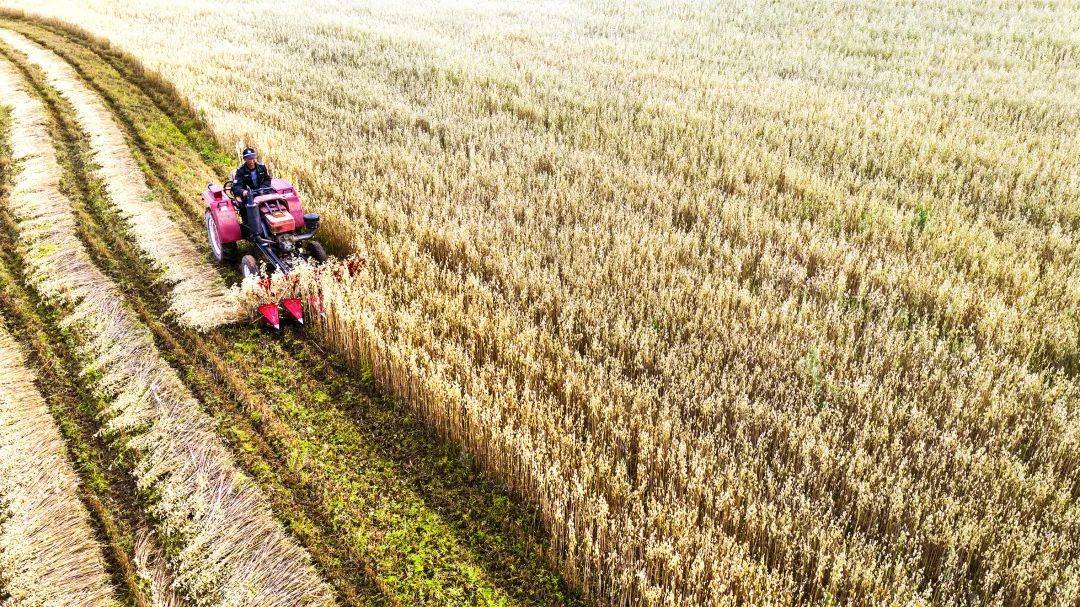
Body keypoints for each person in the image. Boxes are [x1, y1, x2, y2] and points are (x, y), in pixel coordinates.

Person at [231, 147, 273, 239]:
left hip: (262, 192)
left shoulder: (262, 167)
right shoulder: (241, 171)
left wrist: (263, 188)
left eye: (253, 157)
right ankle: (250, 229)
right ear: (245, 159)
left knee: (273, 203)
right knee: (245, 207)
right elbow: (236, 186)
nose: (251, 160)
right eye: (249, 158)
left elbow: (267, 179)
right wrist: (244, 192)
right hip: (251, 194)